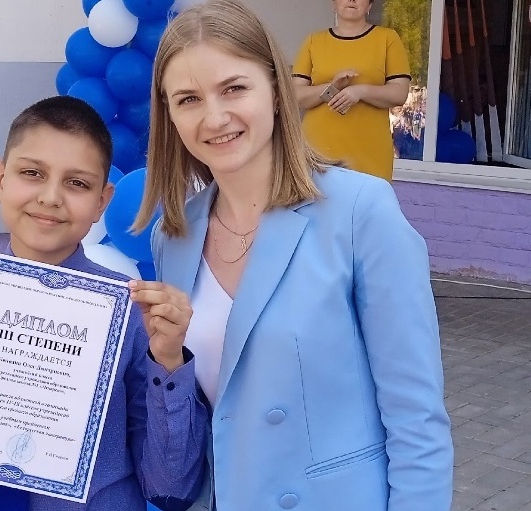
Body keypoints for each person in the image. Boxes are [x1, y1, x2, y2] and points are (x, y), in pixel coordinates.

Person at [129, 0, 453, 509]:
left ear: (277, 91)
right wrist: (165, 362)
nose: (215, 117)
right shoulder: (174, 236)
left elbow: (417, 421)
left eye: (234, 88)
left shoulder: (359, 212)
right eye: (188, 99)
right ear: (168, 115)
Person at [0, 95, 208, 511]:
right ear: (0, 180)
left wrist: (169, 361)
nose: (51, 197)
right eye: (32, 173)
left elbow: (171, 487)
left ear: (102, 201)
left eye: (77, 183)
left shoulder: (130, 318)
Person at [291, 0, 412, 181]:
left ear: (369, 6)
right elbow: (296, 96)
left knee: (368, 198)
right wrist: (332, 87)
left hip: (370, 149)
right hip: (318, 151)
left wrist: (360, 92)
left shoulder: (387, 38)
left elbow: (399, 93)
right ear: (333, 4)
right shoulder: (313, 41)